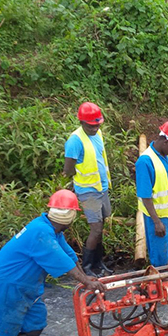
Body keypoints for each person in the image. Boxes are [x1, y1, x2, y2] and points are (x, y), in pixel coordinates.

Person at [0, 189, 106, 336]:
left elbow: (69, 256)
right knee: (2, 332)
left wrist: (85, 278)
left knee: (34, 322)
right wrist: (86, 282)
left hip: (25, 285)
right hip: (6, 285)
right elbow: (61, 261)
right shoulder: (41, 231)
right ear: (71, 215)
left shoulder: (52, 229)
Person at [63, 102, 112, 277]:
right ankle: (87, 265)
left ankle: (98, 262)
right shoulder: (75, 141)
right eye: (91, 126)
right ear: (82, 122)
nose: (95, 128)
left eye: (97, 125)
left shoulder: (97, 134)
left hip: (101, 188)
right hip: (88, 191)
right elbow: (68, 169)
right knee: (96, 228)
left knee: (101, 226)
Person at [136, 121, 168, 267]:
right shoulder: (146, 161)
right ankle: (159, 275)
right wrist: (157, 222)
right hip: (158, 217)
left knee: (166, 248)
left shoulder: (165, 157)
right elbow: (145, 196)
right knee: (159, 254)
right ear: (165, 141)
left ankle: (164, 270)